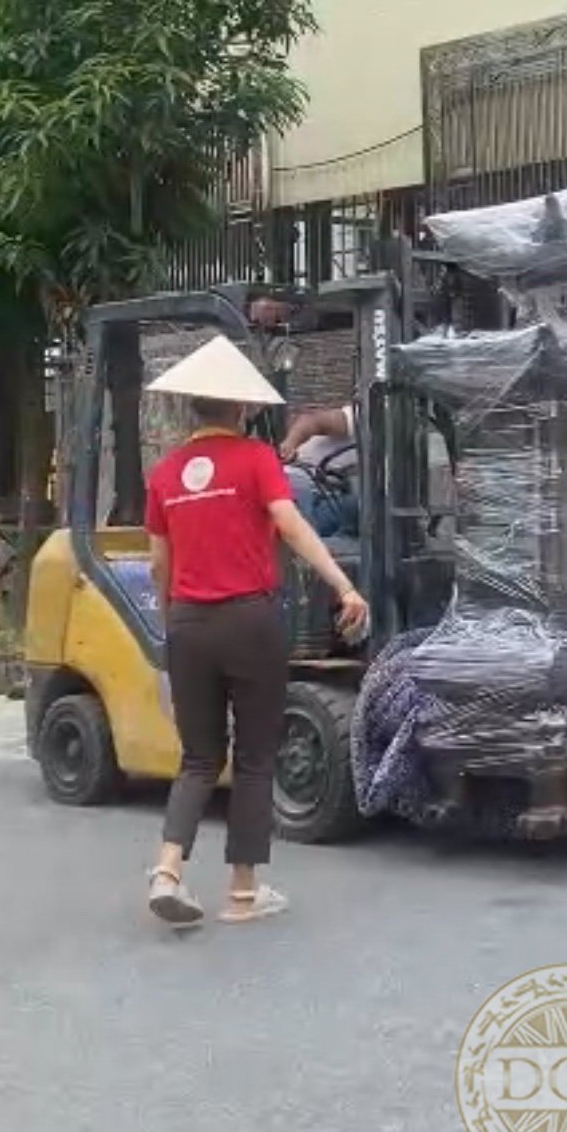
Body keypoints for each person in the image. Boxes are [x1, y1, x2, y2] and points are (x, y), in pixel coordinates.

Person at [142, 333, 367, 931]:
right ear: (241, 407)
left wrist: (171, 622)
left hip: (187, 623)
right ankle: (242, 893)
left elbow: (159, 564)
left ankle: (167, 870)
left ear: (194, 407)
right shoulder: (256, 459)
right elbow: (290, 525)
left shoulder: (164, 474)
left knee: (198, 757)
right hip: (249, 620)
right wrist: (343, 585)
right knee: (255, 757)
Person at [279, 403, 358, 538]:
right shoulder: (369, 415)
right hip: (304, 485)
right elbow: (312, 421)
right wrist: (289, 445)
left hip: (333, 495)